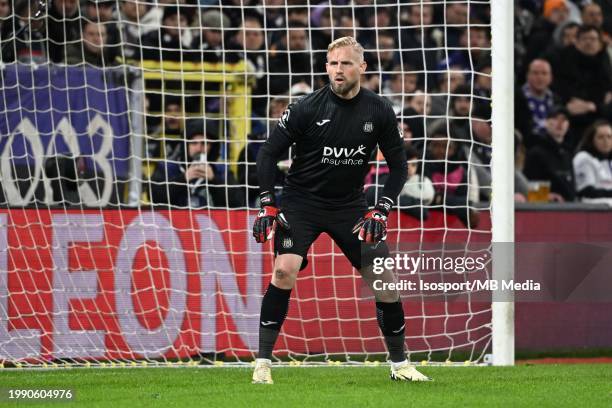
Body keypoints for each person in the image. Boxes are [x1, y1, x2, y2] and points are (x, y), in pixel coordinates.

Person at [251, 36, 430, 384]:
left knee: (385, 282)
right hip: (301, 202)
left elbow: (399, 166)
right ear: (325, 67)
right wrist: (268, 203)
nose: (338, 70)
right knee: (284, 271)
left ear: (362, 68)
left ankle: (400, 365)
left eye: (346, 63)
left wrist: (381, 210)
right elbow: (268, 154)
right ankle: (262, 364)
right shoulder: (306, 107)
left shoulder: (379, 110)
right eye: (333, 63)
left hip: (350, 206)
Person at [524, 106, 576, 202]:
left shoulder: (567, 153)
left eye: (564, 119)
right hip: (547, 209)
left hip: (570, 209)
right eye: (555, 118)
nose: (560, 123)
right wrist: (548, 196)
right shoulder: (536, 153)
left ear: (568, 125)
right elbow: (531, 188)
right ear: (546, 123)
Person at [573, 120, 612, 204]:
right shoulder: (583, 158)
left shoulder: (608, 160)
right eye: (601, 137)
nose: (606, 141)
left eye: (609, 137)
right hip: (590, 209)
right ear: (592, 140)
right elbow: (587, 191)